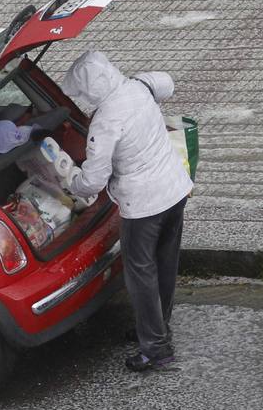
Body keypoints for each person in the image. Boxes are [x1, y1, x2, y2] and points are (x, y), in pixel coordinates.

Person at [61, 50, 192, 372]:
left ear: (91, 90)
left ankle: (156, 349)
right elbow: (167, 83)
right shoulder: (139, 87)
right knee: (164, 263)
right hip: (175, 189)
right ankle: (158, 328)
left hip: (143, 205)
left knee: (141, 274)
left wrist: (69, 180)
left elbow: (93, 181)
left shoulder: (105, 121)